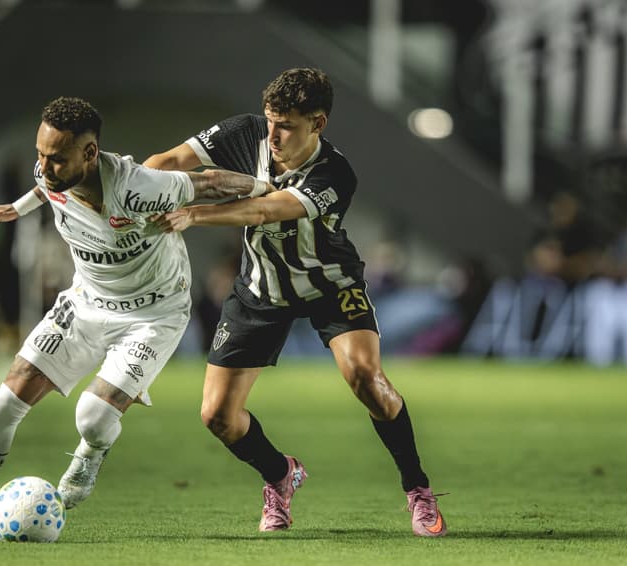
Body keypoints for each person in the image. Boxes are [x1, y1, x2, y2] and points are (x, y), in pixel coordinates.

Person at [0, 96, 272, 540]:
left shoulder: (140, 187)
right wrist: (13, 210)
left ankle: (91, 451)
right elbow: (44, 187)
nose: (45, 166)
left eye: (57, 158)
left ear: (90, 153)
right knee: (6, 400)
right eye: (40, 154)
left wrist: (264, 190)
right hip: (86, 302)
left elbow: (209, 182)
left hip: (154, 314)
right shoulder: (49, 172)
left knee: (93, 417)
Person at [144, 68, 446, 536]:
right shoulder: (245, 132)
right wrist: (128, 189)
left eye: (286, 124)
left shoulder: (335, 174)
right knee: (217, 417)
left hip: (329, 284)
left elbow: (268, 208)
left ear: (318, 124)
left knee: (366, 378)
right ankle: (280, 476)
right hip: (261, 290)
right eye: (270, 120)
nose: (273, 133)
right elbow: (169, 160)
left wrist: (194, 213)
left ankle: (418, 490)